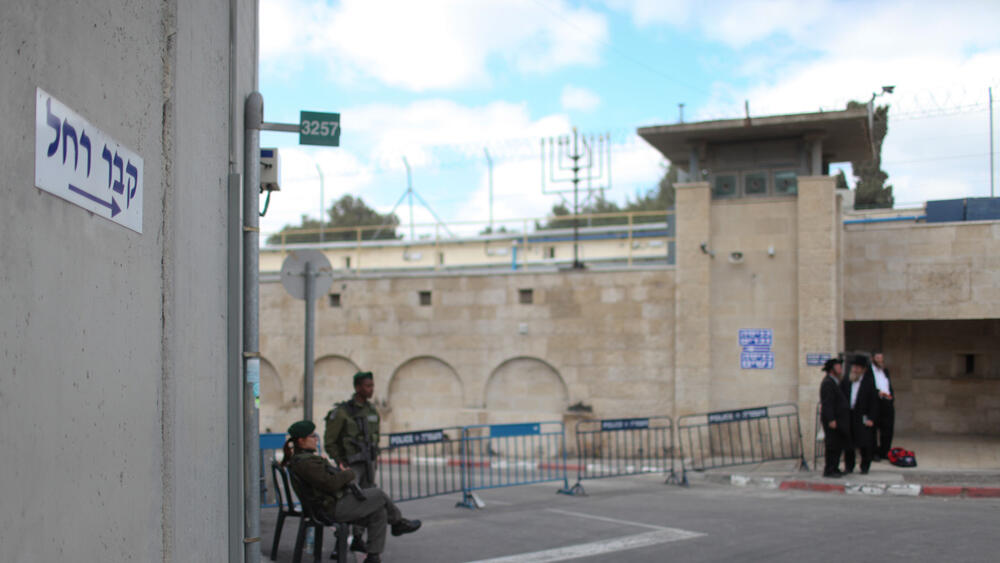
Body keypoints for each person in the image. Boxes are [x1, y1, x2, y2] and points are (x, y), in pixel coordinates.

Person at [283, 420, 420, 563]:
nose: (316, 439)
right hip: (330, 509)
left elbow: (326, 481)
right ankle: (398, 523)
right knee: (378, 494)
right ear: (301, 440)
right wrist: (348, 473)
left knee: (379, 513)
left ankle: (373, 557)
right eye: (312, 436)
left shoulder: (305, 459)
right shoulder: (306, 463)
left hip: (330, 504)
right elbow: (330, 484)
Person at [324, 371, 381, 553]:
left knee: (368, 498)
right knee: (349, 501)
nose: (371, 389)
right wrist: (340, 461)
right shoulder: (342, 412)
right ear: (357, 387)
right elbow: (330, 441)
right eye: (367, 386)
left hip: (368, 463)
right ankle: (339, 543)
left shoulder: (372, 410)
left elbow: (375, 437)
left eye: (372, 385)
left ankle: (358, 538)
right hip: (350, 465)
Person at [840, 355, 878, 474]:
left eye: (857, 367)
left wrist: (871, 418)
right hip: (849, 415)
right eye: (854, 367)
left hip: (862, 415)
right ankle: (849, 466)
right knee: (848, 443)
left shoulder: (869, 383)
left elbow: (874, 402)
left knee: (864, 443)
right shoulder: (846, 381)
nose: (854, 369)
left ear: (863, 370)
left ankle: (865, 466)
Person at [819, 358, 850, 478]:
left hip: (838, 419)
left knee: (837, 445)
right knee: (832, 445)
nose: (840, 369)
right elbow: (827, 403)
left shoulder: (835, 381)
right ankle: (829, 469)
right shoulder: (828, 383)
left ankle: (835, 468)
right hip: (832, 421)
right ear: (832, 369)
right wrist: (831, 419)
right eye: (838, 367)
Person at [869, 351, 894, 461]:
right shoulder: (869, 371)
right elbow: (869, 387)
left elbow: (888, 385)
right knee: (873, 430)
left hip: (887, 402)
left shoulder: (885, 371)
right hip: (876, 402)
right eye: (878, 358)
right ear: (873, 359)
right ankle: (874, 453)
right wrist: (878, 392)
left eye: (881, 358)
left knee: (887, 429)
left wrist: (891, 396)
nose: (880, 360)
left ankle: (884, 452)